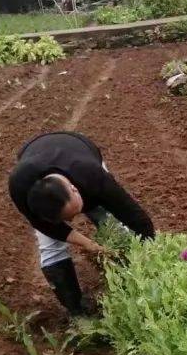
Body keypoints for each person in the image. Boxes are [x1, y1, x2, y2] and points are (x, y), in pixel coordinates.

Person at [9, 132, 155, 316]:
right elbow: (46, 227)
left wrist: (151, 250)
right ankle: (77, 311)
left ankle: (133, 278)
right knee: (50, 246)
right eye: (66, 219)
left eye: (75, 213)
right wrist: (90, 245)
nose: (72, 221)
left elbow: (134, 216)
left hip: (78, 148)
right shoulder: (20, 187)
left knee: (108, 222)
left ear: (75, 189)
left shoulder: (93, 176)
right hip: (34, 155)